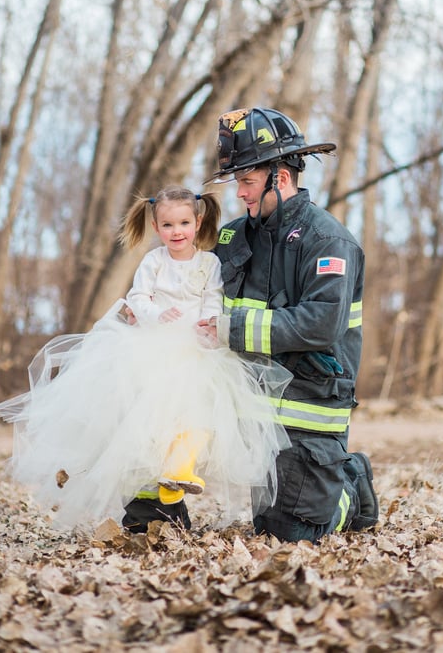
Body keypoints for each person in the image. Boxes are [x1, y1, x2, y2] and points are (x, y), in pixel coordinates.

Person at [123, 108, 379, 542]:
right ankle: (158, 510)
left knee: (288, 531)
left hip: (305, 402)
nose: (238, 193)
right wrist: (140, 310)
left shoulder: (328, 242)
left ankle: (349, 487)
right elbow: (191, 290)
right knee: (145, 413)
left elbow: (320, 325)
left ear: (279, 178)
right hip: (234, 395)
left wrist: (231, 329)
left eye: (246, 181)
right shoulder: (232, 236)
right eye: (237, 182)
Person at [0, 184, 290, 532]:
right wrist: (156, 314)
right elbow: (138, 297)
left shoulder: (209, 263)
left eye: (184, 224)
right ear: (157, 227)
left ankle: (178, 471)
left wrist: (209, 326)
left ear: (198, 222)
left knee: (200, 414)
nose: (177, 232)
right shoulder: (154, 261)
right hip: (154, 346)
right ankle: (155, 499)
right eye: (168, 226)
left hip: (196, 348)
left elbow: (212, 299)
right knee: (148, 423)